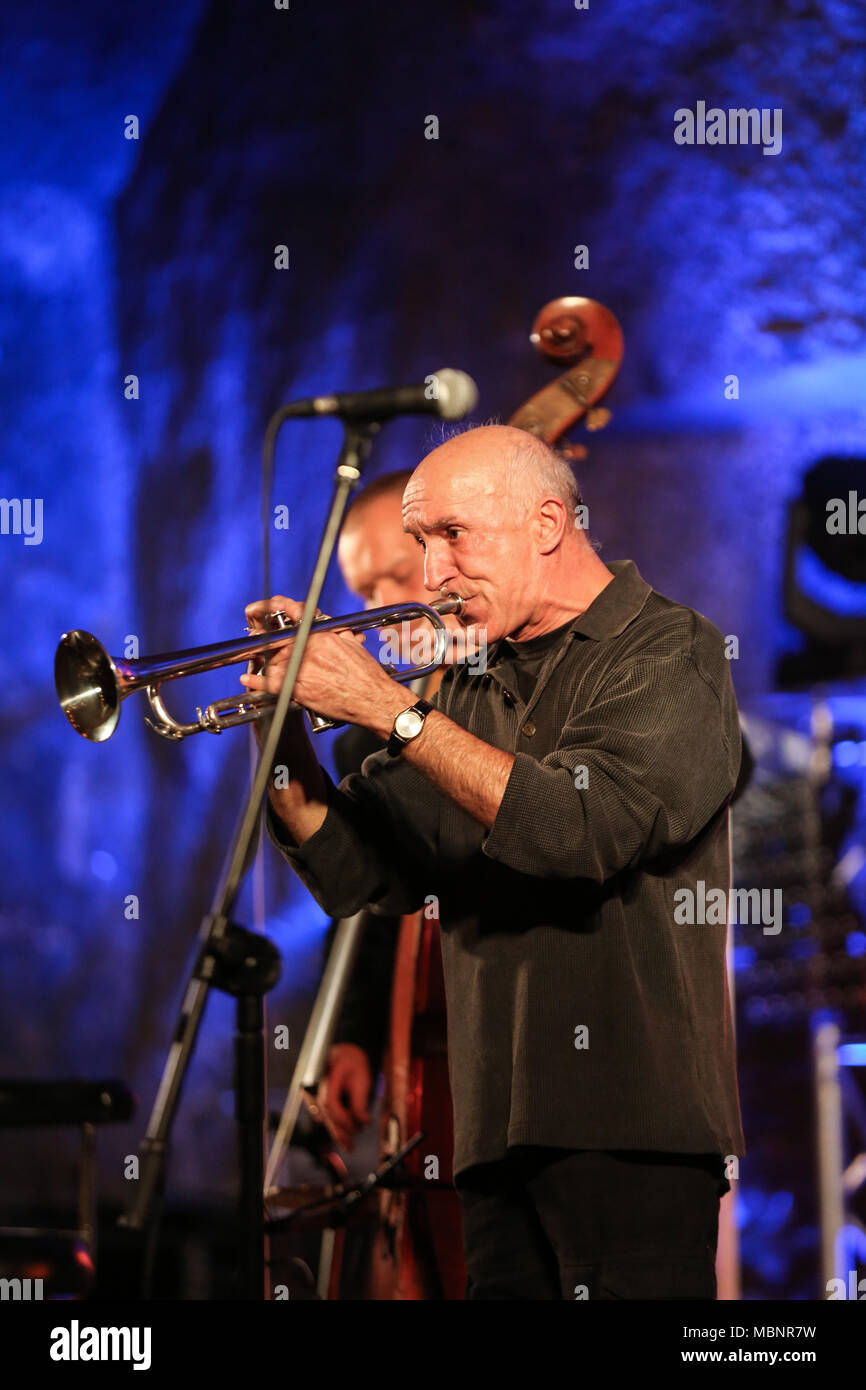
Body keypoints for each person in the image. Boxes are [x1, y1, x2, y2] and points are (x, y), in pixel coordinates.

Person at [245, 423, 745, 1300]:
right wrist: (280, 726)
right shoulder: (468, 690)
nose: (432, 575)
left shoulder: (674, 652)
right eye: (420, 543)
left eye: (451, 536)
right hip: (488, 1144)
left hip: (632, 1137)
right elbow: (356, 869)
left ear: (548, 522)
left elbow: (579, 828)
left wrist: (389, 707)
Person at [314, 469, 451, 1152]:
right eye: (367, 591)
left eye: (400, 577)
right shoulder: (360, 745)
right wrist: (349, 1031)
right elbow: (373, 903)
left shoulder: (525, 683)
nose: (385, 609)